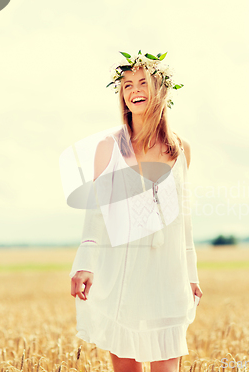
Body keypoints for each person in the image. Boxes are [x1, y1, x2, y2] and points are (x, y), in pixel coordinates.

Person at [68, 51, 203, 372]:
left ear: (162, 91)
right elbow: (96, 212)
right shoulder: (109, 147)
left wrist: (191, 275)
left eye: (143, 82)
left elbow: (183, 218)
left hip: (167, 272)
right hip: (122, 269)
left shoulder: (180, 149)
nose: (134, 90)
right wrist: (85, 264)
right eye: (127, 85)